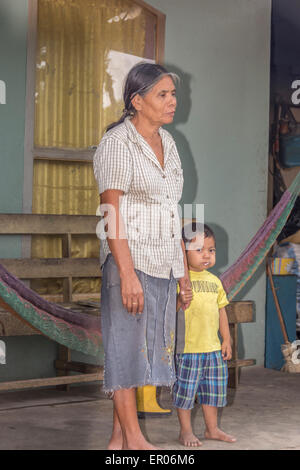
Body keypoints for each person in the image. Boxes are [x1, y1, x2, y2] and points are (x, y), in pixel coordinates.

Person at [93, 62, 191, 450]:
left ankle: (117, 438)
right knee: (126, 348)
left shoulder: (168, 142)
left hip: (164, 260)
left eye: (173, 93)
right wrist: (126, 273)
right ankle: (135, 439)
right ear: (137, 101)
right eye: (162, 95)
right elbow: (110, 212)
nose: (172, 101)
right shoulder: (117, 143)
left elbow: (173, 209)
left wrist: (182, 269)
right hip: (130, 261)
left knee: (147, 349)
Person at [173, 222, 237, 447]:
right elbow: (170, 313)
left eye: (211, 250)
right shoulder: (179, 281)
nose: (206, 255)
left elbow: (221, 312)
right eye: (199, 250)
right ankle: (185, 431)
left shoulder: (215, 281)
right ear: (183, 253)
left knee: (213, 392)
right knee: (186, 393)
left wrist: (226, 339)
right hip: (188, 350)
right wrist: (180, 300)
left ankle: (212, 429)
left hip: (212, 349)